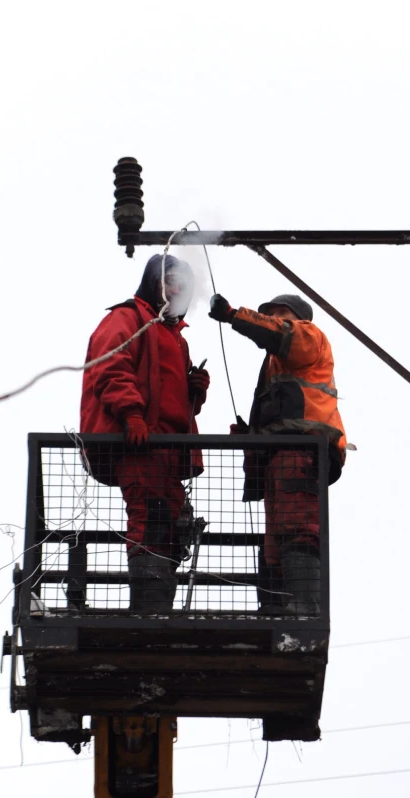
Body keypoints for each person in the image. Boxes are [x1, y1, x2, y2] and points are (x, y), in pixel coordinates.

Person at [80, 253, 210, 611]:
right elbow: (110, 367)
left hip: (167, 449)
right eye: (171, 280)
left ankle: (158, 608)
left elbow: (167, 396)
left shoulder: (175, 338)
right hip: (139, 443)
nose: (179, 289)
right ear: (154, 281)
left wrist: (193, 392)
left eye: (184, 284)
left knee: (169, 523)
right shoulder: (127, 319)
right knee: (151, 516)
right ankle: (150, 610)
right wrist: (132, 415)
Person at [208, 293, 347, 616]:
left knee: (296, 527)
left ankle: (302, 606)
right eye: (270, 314)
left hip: (301, 449)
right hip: (281, 456)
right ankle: (275, 607)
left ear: (299, 316)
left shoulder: (308, 335)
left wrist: (233, 315)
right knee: (275, 540)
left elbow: (280, 332)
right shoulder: (274, 363)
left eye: (281, 313)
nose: (275, 318)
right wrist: (250, 436)